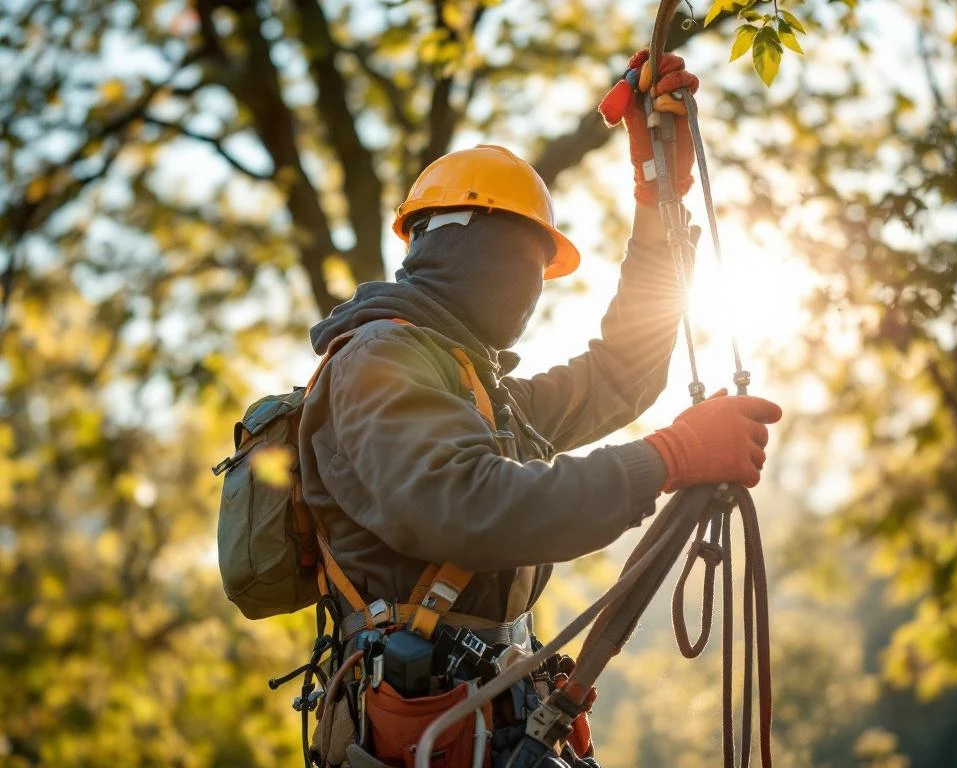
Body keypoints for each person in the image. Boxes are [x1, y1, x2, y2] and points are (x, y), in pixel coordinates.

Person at [297, 50, 781, 768]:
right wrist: (670, 457)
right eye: (527, 261)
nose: (530, 290)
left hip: (492, 726)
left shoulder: (478, 391)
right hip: (425, 739)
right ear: (471, 244)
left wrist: (659, 203)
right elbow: (465, 504)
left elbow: (621, 373)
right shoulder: (381, 360)